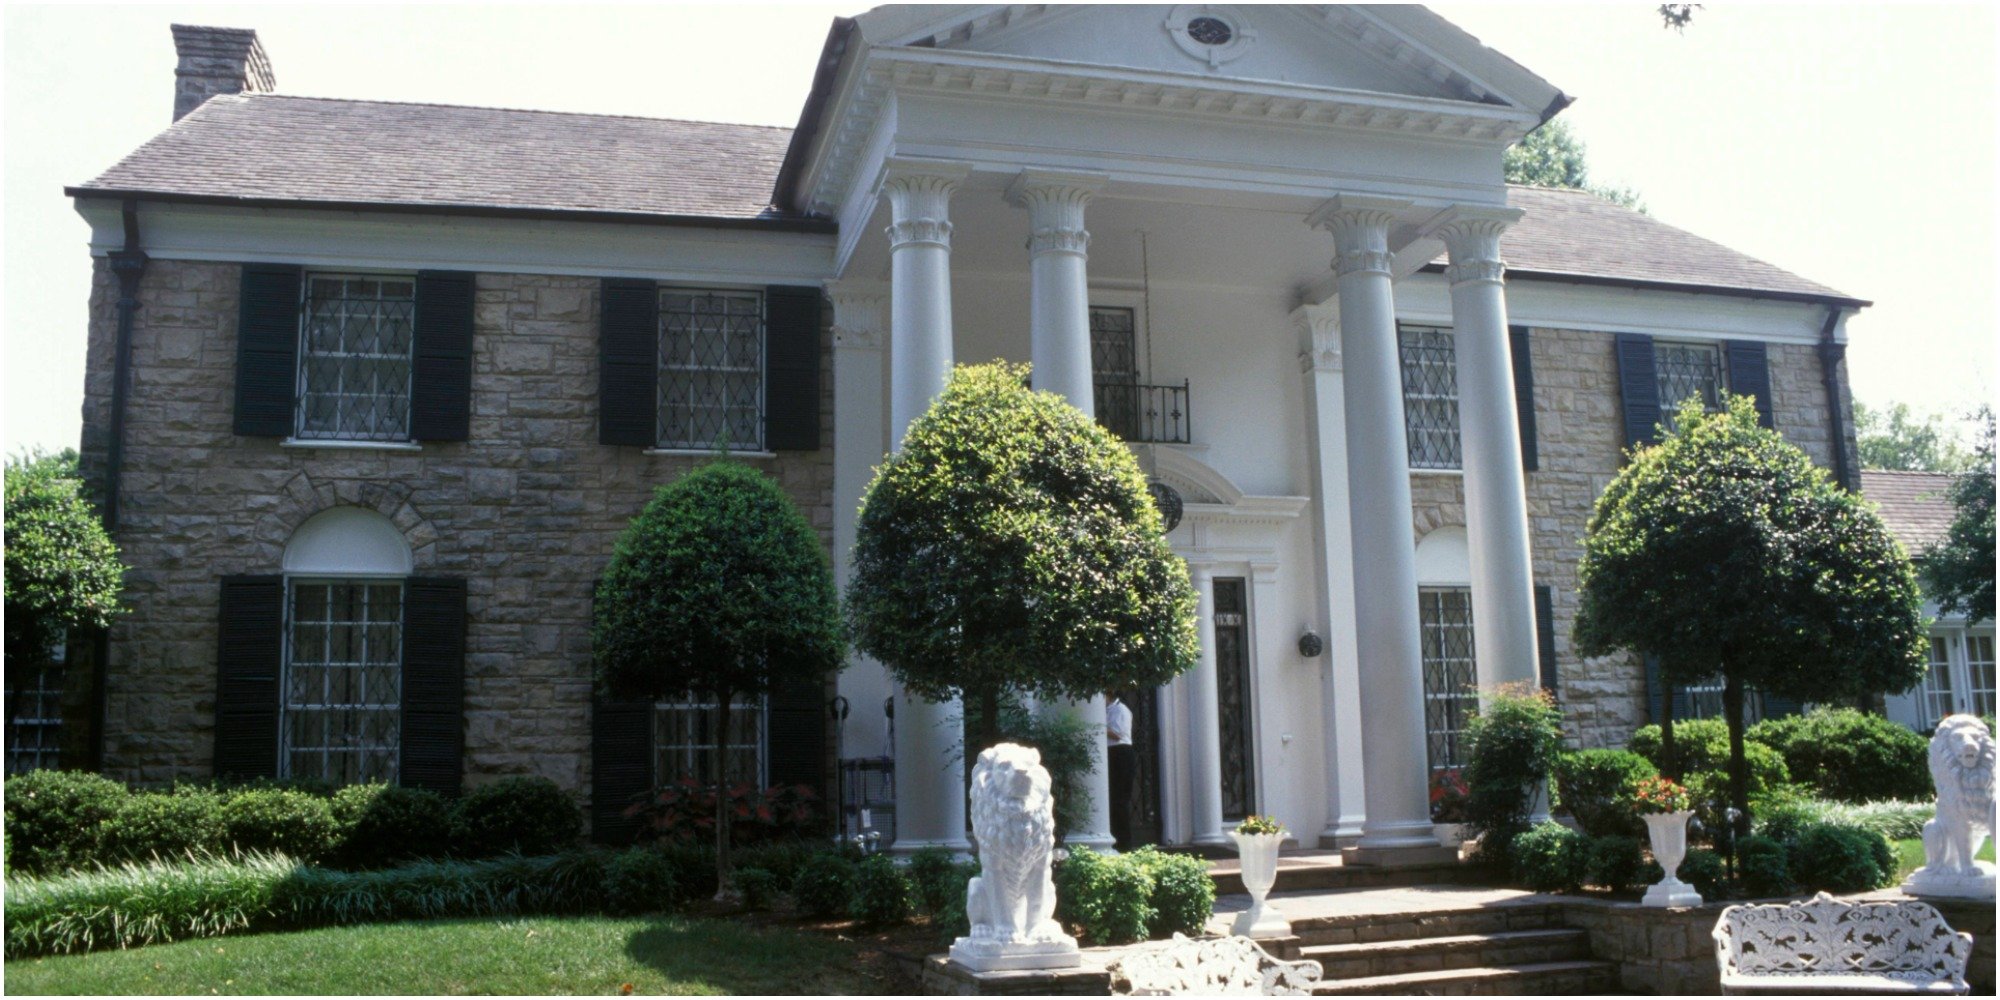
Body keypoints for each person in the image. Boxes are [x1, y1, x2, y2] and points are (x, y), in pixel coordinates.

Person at [1105, 691, 1136, 850]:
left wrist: (1096, 726)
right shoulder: (1107, 710)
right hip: (1111, 754)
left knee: (1119, 800)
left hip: (1120, 753)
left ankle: (1124, 843)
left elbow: (1117, 734)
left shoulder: (1120, 710)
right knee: (1111, 800)